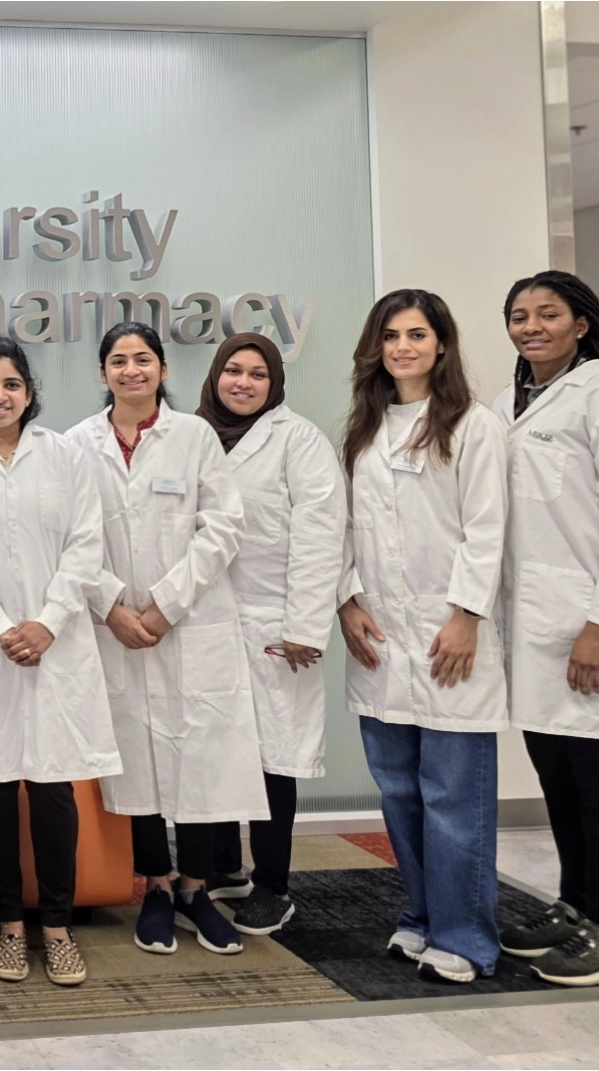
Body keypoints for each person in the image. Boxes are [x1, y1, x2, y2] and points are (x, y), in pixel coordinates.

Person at [61, 322, 265, 959]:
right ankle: (154, 886)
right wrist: (115, 605)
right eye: (118, 361)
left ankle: (197, 891)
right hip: (114, 627)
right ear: (102, 374)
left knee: (202, 756)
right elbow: (69, 539)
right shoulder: (75, 445)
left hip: (190, 624)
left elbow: (224, 527)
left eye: (142, 359)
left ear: (162, 370)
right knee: (135, 760)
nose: (131, 371)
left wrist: (167, 605)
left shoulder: (195, 436)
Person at [491, 271, 599, 986]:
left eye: (546, 313)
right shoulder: (511, 403)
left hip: (587, 622)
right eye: (517, 315)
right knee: (557, 773)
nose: (530, 325)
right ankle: (573, 903)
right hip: (532, 624)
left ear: (582, 324)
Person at [337, 288, 509, 985]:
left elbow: (487, 526)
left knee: (451, 793)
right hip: (379, 636)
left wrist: (467, 613)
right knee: (400, 791)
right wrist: (345, 600)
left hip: (445, 634)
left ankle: (465, 936)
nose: (402, 346)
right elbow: (340, 525)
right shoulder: (363, 427)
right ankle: (420, 914)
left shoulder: (473, 424)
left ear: (441, 343)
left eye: (416, 333)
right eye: (390, 335)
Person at [0, 336, 120, 987]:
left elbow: (84, 544)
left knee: (52, 786)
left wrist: (45, 622)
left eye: (10, 383)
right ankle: (9, 926)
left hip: (55, 643)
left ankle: (57, 925)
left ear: (28, 391)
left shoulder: (65, 455)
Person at [193, 333, 346, 936]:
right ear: (215, 375)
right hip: (206, 621)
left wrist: (307, 623)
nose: (243, 383)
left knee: (271, 761)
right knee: (214, 748)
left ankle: (274, 884)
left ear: (274, 383)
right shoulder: (192, 434)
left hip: (274, 624)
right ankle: (225, 867)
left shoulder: (299, 440)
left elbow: (321, 533)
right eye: (233, 371)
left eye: (258, 374)